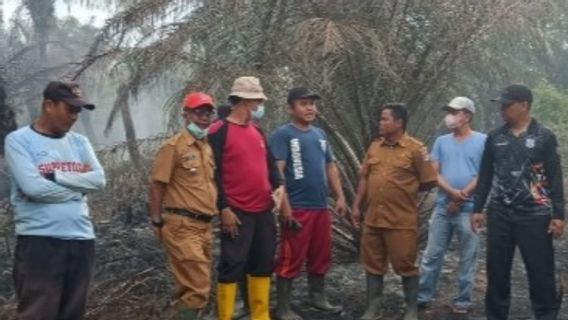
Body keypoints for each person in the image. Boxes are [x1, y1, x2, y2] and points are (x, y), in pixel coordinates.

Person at [4, 81, 106, 320]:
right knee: (39, 312)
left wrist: (54, 176)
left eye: (78, 111)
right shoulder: (19, 141)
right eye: (69, 109)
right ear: (49, 105)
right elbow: (33, 188)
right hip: (40, 241)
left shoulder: (79, 142)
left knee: (73, 312)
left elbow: (99, 180)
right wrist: (78, 190)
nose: (74, 117)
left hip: (82, 239)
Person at [471, 84, 565, 320]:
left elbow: (555, 178)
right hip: (500, 214)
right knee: (497, 272)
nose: (502, 110)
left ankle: (545, 315)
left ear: (524, 105)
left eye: (507, 105)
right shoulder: (495, 137)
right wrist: (477, 208)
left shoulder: (544, 136)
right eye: (500, 105)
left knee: (540, 273)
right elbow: (485, 175)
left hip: (535, 215)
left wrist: (559, 216)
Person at [351, 103, 437, 320]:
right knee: (372, 264)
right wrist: (356, 206)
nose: (380, 123)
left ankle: (411, 309)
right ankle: (373, 308)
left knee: (406, 265)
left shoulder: (416, 149)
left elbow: (427, 182)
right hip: (373, 219)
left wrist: (402, 193)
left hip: (400, 220)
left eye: (384, 119)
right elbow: (365, 177)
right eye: (381, 119)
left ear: (398, 123)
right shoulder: (374, 147)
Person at [208, 76, 283, 320]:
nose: (259, 105)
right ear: (243, 100)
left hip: (263, 209)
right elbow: (213, 172)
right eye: (256, 100)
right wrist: (224, 207)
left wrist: (279, 185)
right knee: (233, 263)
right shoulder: (219, 130)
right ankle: (226, 315)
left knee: (262, 262)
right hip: (237, 210)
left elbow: (270, 164)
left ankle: (260, 315)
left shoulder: (257, 130)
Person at [270, 87, 347, 320]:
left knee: (321, 254)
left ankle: (318, 297)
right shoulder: (283, 135)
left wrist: (340, 196)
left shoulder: (320, 135)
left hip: (320, 207)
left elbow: (330, 166)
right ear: (290, 108)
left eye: (312, 103)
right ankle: (283, 307)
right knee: (290, 256)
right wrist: (285, 208)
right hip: (298, 207)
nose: (310, 107)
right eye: (303, 103)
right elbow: (277, 172)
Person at [149, 92, 217, 319]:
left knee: (192, 288)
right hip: (182, 226)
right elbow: (158, 186)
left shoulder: (205, 147)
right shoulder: (173, 147)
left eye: (208, 113)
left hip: (204, 226)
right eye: (199, 112)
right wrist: (157, 221)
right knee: (197, 289)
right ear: (186, 115)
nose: (204, 117)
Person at [417, 97, 486, 314]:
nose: (450, 116)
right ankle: (422, 296)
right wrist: (452, 193)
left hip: (470, 209)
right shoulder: (441, 142)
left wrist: (461, 197)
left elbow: (485, 174)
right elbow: (434, 173)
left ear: (467, 116)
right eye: (449, 111)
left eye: (454, 112)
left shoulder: (483, 141)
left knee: (468, 257)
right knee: (432, 255)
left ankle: (463, 300)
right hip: (442, 208)